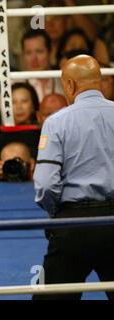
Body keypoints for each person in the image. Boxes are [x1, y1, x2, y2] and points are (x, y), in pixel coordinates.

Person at [33, 54, 114, 300]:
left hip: (74, 224)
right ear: (99, 81)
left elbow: (46, 185)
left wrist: (58, 215)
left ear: (70, 85)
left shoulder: (56, 122)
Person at [20, 29, 64, 102]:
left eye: (39, 51)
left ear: (51, 52)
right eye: (28, 53)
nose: (34, 58)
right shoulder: (13, 85)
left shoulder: (64, 84)